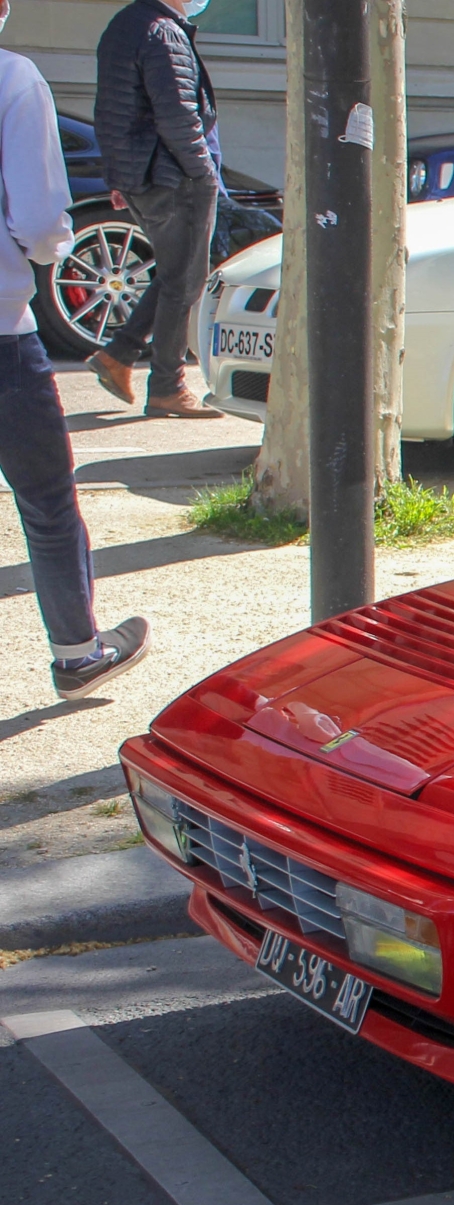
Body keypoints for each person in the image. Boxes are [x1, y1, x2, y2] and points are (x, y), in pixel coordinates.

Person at [2, 5, 151, 697]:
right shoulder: (14, 79)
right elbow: (39, 219)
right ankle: (77, 649)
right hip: (1, 333)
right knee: (46, 497)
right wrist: (43, 249)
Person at [87, 0, 224, 417]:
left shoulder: (125, 24)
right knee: (185, 281)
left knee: (173, 275)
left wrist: (120, 176)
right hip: (173, 175)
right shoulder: (163, 31)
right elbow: (178, 115)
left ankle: (120, 354)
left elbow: (112, 110)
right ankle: (167, 385)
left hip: (144, 173)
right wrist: (204, 173)